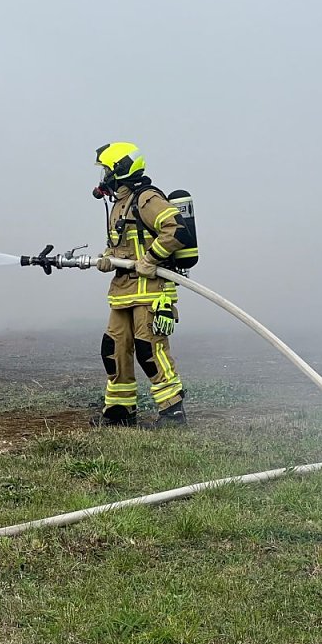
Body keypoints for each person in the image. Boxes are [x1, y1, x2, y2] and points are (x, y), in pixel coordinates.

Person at [92, 142, 188, 429]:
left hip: (151, 292)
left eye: (107, 171)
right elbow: (123, 245)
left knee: (150, 351)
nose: (104, 178)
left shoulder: (146, 199)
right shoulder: (119, 204)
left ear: (120, 170)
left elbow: (176, 229)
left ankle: (172, 413)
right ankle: (120, 412)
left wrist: (151, 258)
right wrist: (108, 258)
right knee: (114, 349)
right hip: (123, 292)